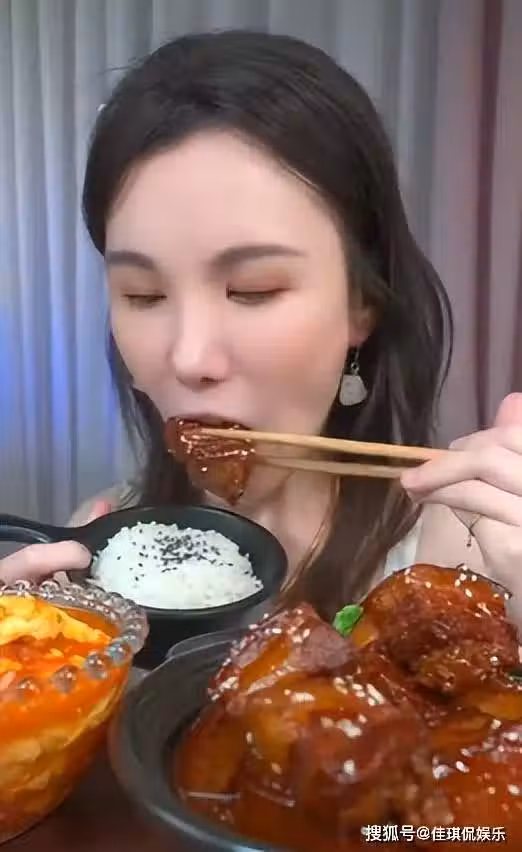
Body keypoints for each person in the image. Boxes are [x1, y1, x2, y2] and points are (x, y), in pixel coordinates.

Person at [2, 30, 521, 625]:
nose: (189, 357)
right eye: (143, 295)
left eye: (254, 290)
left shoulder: (471, 559)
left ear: (362, 304)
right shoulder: (94, 545)